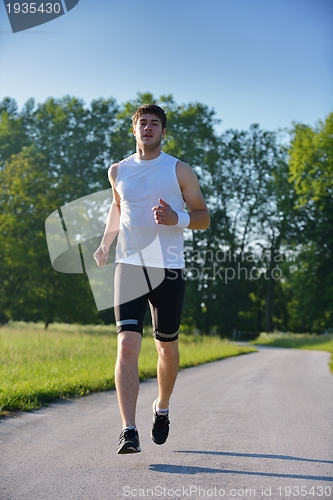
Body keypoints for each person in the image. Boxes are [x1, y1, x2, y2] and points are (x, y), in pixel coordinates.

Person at [93, 104, 210, 454]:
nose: (148, 128)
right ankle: (128, 430)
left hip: (168, 269)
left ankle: (162, 407)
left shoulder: (179, 170)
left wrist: (178, 218)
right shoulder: (118, 171)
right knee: (127, 343)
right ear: (134, 130)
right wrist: (104, 245)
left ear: (162, 132)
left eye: (154, 124)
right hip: (129, 265)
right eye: (142, 123)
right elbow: (117, 207)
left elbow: (203, 216)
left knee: (166, 348)